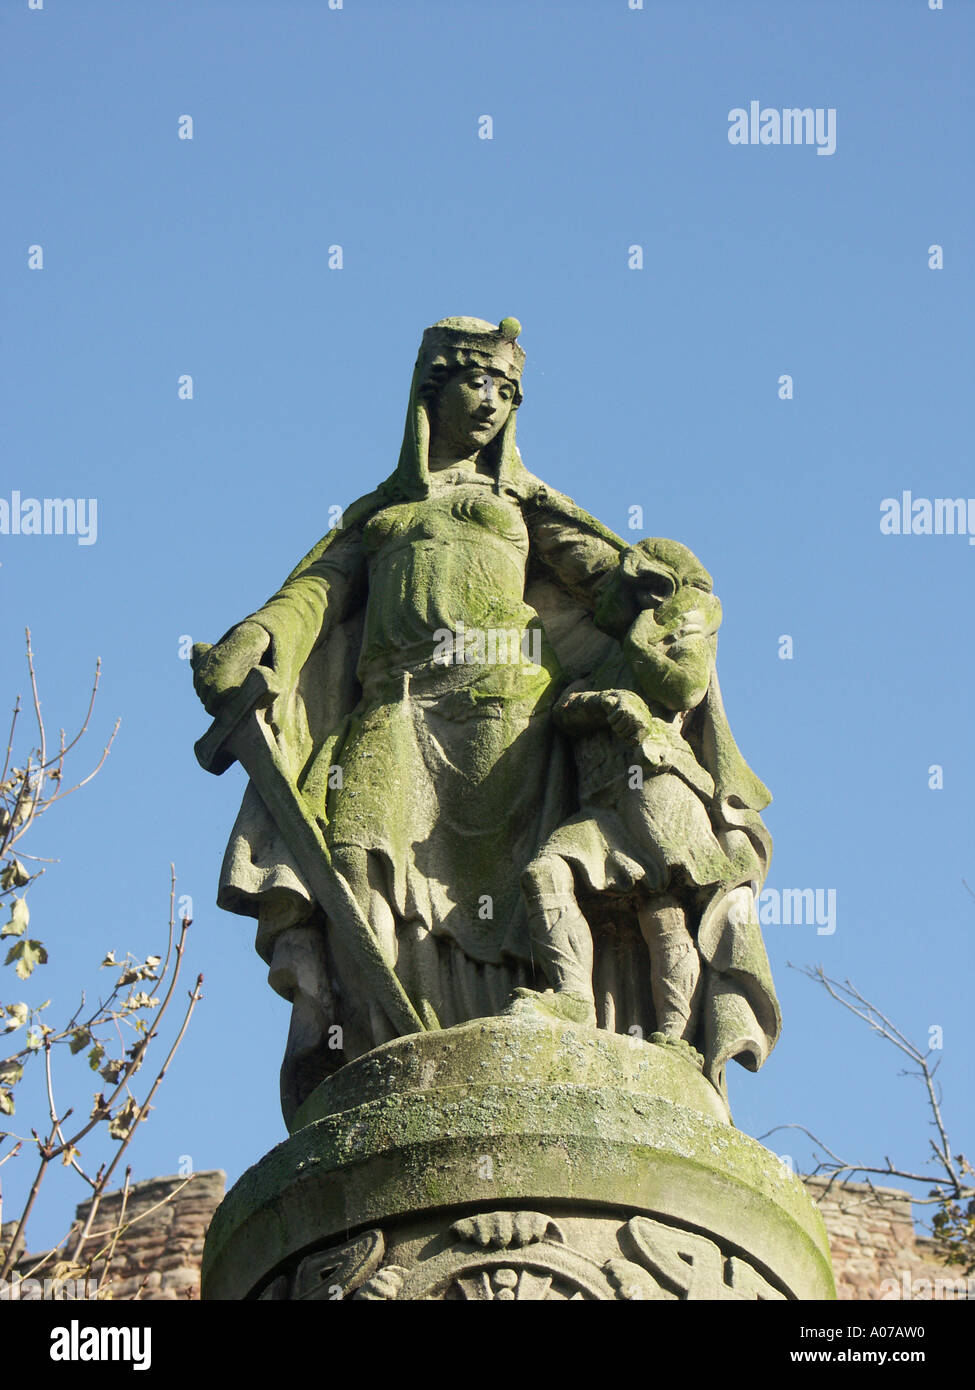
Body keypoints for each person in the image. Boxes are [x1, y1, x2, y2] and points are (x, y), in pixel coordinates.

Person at [193, 316, 626, 1122]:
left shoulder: (521, 503)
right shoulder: (383, 512)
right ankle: (381, 1045)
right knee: (353, 854)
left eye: (507, 391)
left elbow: (613, 583)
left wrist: (662, 601)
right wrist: (252, 639)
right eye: (477, 383)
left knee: (504, 885)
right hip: (394, 700)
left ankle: (522, 1035)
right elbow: (314, 594)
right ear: (433, 390)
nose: (491, 402)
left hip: (503, 706)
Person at [519, 538, 781, 1097]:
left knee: (661, 906)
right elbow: (567, 710)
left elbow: (683, 686)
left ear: (650, 590)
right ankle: (573, 997)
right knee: (545, 873)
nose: (603, 596)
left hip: (660, 786)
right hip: (602, 802)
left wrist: (641, 643)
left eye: (616, 586)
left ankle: (677, 1037)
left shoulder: (681, 632)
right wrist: (601, 701)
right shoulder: (607, 658)